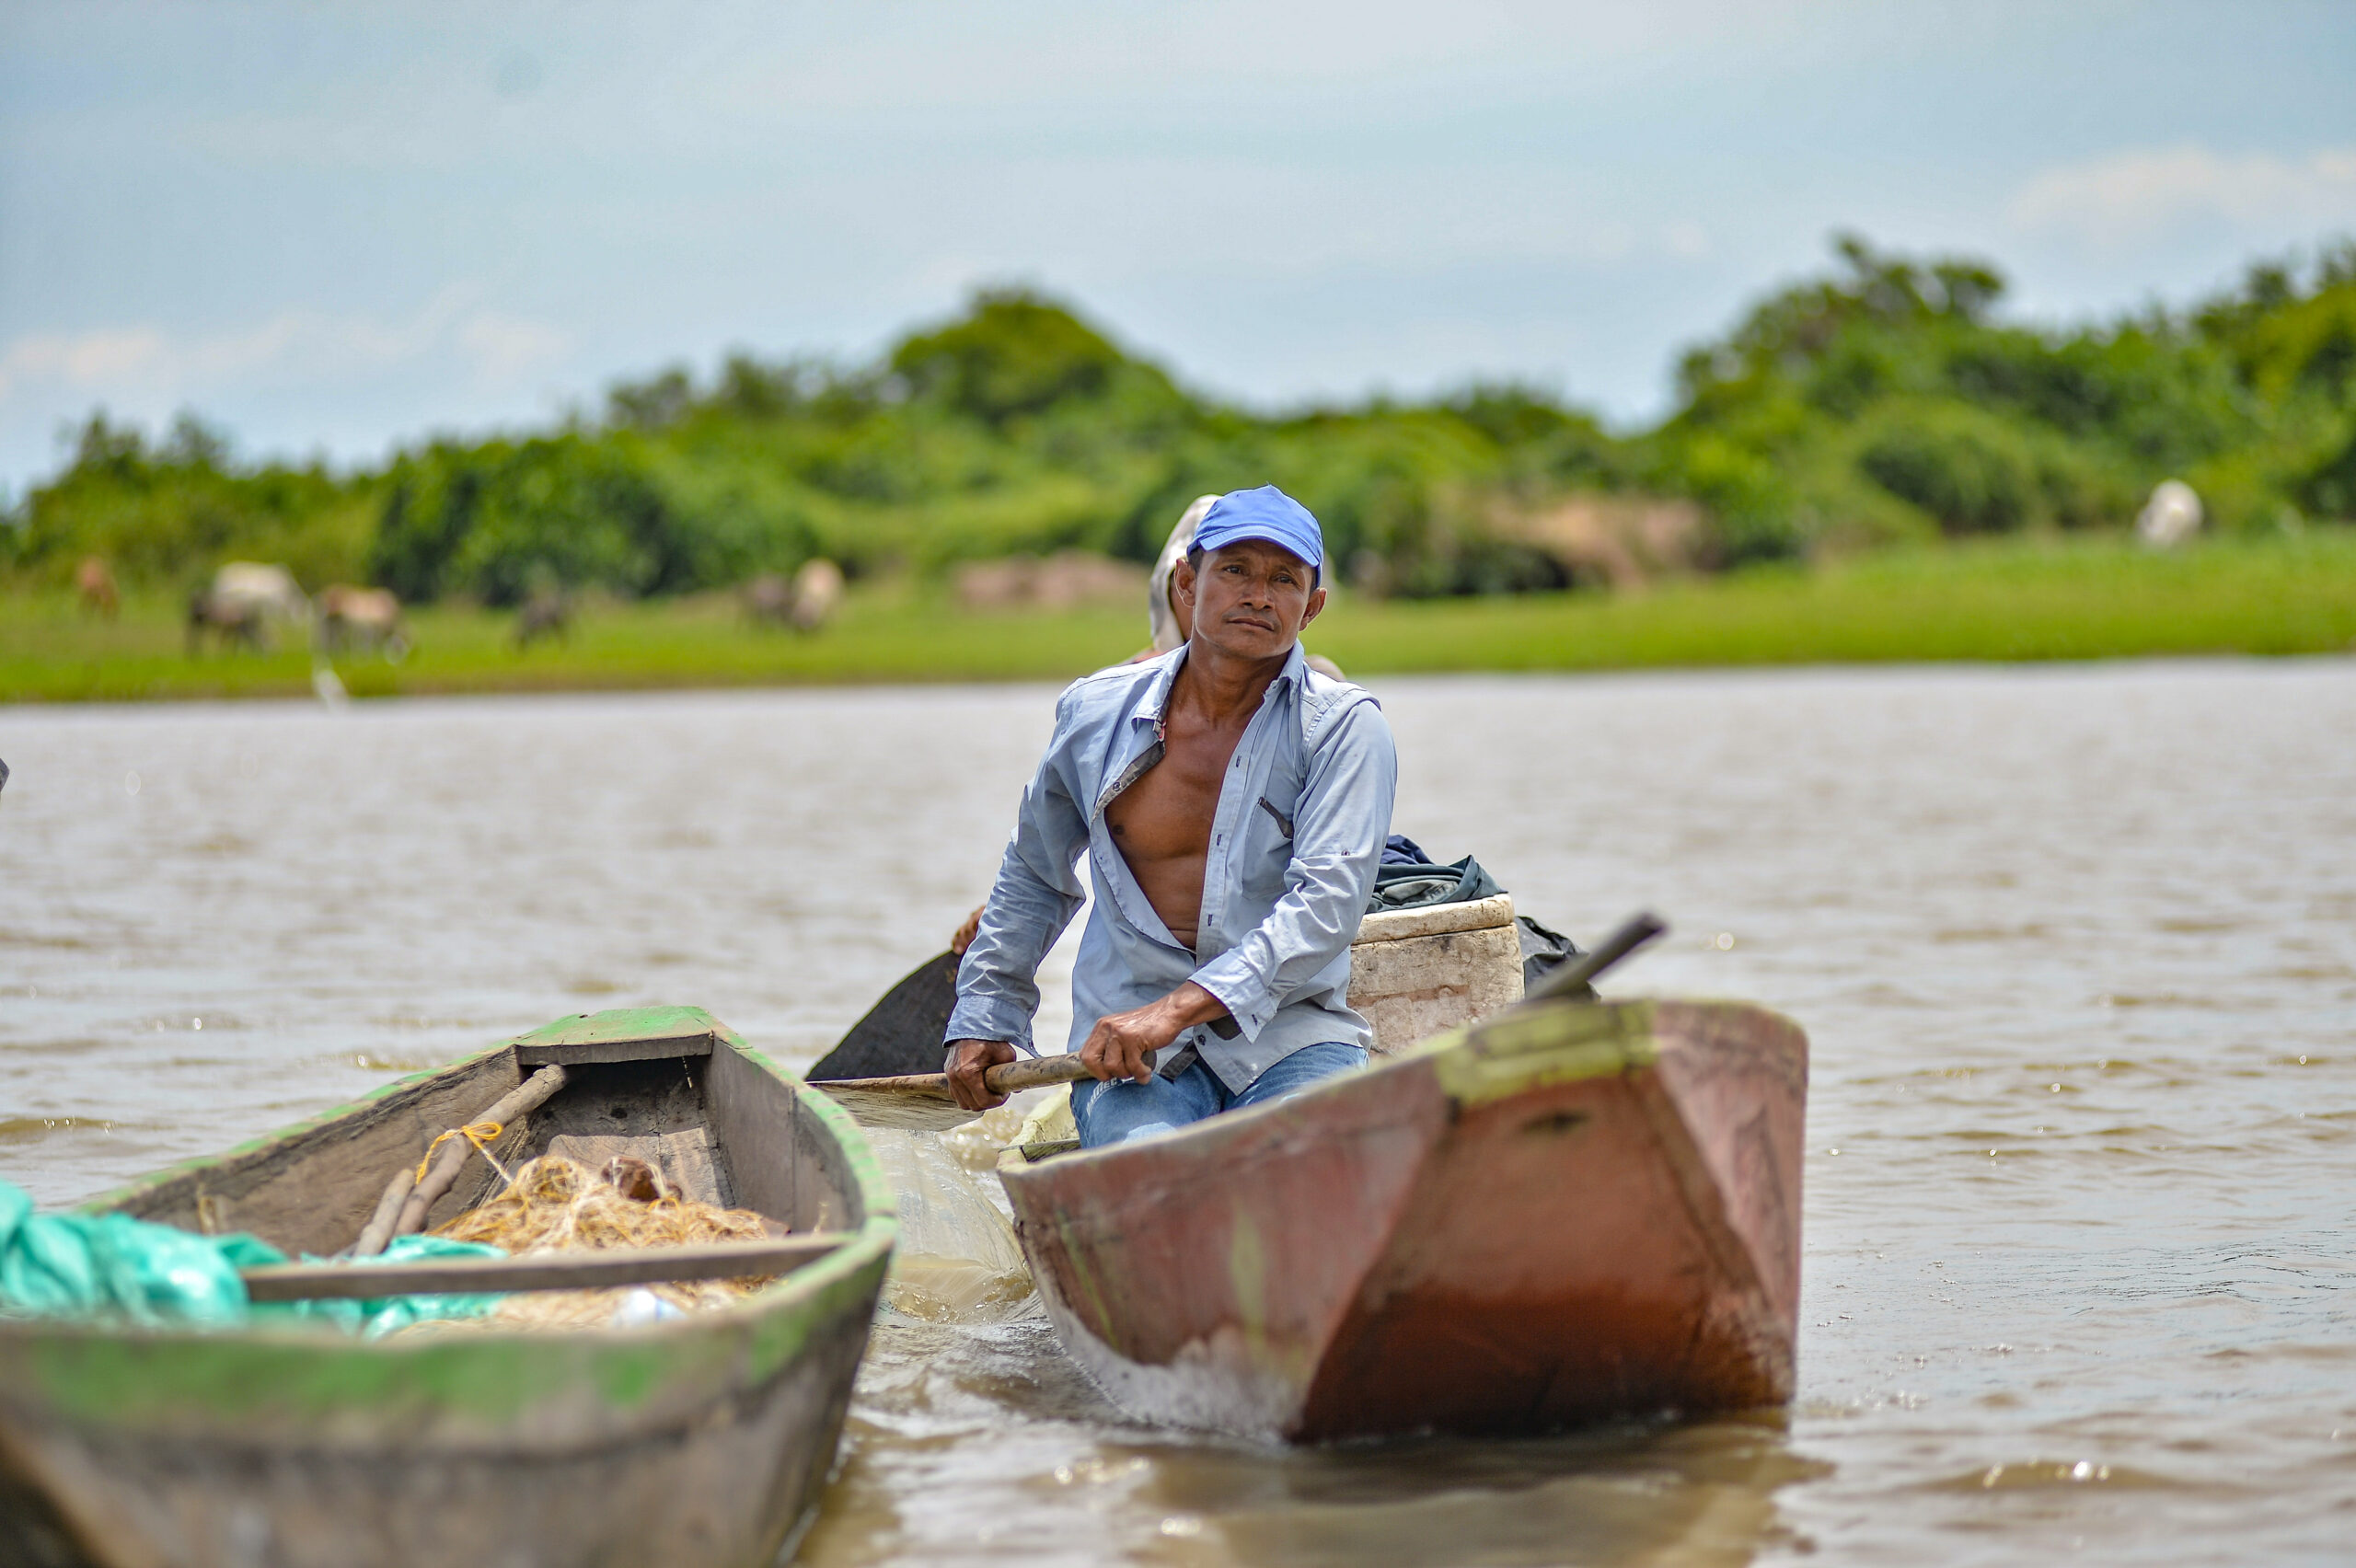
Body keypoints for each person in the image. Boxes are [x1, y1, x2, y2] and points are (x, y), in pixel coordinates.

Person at [943, 486, 1397, 1147]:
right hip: (1127, 1058)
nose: (1258, 596)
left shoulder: (1343, 729)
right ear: (1187, 582)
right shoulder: (1094, 714)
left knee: (1314, 1156)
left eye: (1284, 580)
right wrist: (986, 1013)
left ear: (1313, 606)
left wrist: (1172, 1013)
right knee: (1148, 1175)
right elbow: (1035, 874)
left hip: (1289, 1040)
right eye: (1235, 570)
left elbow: (1325, 907)